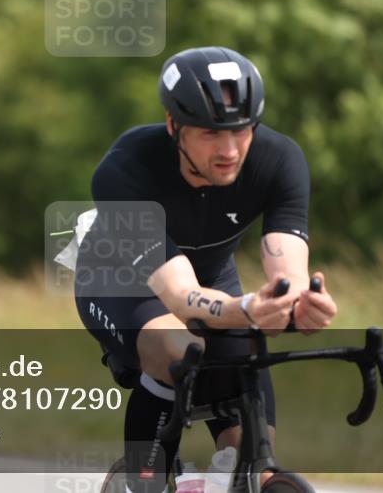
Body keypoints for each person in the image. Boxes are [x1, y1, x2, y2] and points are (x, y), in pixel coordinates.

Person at [73, 46, 338, 493]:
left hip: (214, 279)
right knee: (179, 348)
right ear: (173, 125)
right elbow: (180, 295)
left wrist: (297, 302)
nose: (229, 150)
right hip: (120, 281)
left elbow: (287, 267)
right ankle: (144, 478)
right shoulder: (125, 169)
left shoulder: (279, 160)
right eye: (211, 134)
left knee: (251, 449)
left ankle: (239, 478)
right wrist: (248, 309)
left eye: (241, 131)